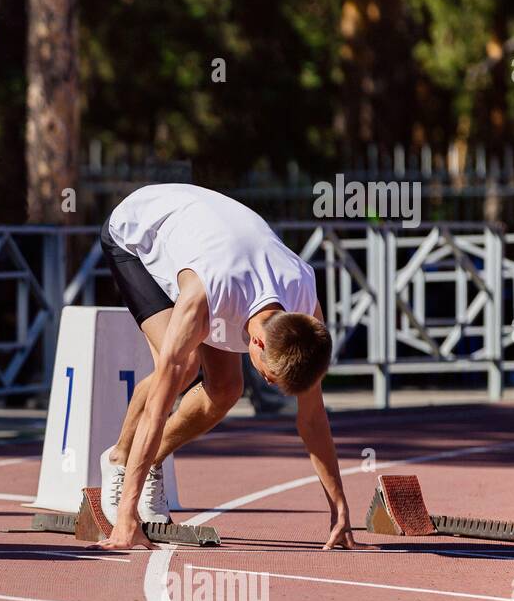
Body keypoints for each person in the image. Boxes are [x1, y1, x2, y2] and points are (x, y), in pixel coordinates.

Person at [94, 183, 357, 551]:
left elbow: (312, 417)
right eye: (269, 377)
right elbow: (159, 405)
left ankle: (150, 460)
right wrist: (126, 518)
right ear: (259, 343)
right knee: (181, 367)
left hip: (210, 242)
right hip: (136, 234)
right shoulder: (206, 295)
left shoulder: (304, 301)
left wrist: (340, 507)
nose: (267, 385)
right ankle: (119, 459)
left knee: (226, 390)